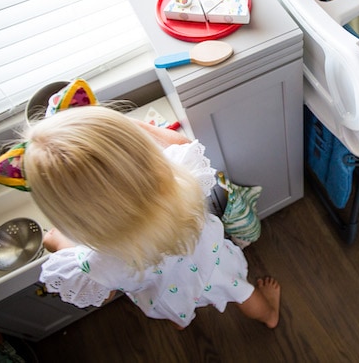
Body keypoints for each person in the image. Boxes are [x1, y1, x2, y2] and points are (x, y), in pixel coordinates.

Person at [21, 105, 280, 330]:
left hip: (165, 292)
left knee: (173, 306)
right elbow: (182, 144)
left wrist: (57, 243)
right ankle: (269, 315)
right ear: (140, 151)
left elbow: (103, 292)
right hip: (213, 265)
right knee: (242, 292)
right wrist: (126, 125)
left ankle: (182, 318)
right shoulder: (181, 181)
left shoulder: (98, 260)